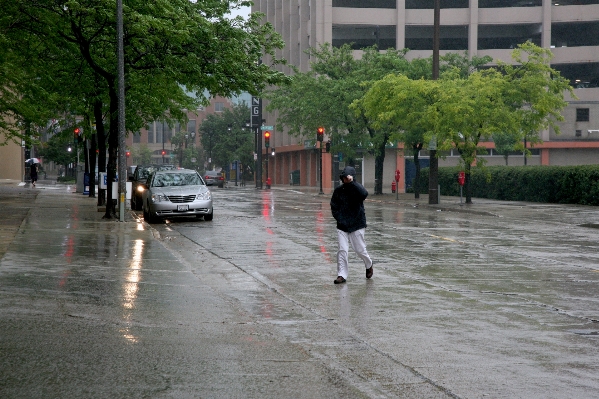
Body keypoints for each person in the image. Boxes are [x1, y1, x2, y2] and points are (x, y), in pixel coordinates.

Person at [330, 166, 373, 284]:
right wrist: (339, 218)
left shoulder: (357, 189)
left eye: (347, 177)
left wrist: (352, 183)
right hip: (342, 226)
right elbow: (334, 206)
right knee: (342, 250)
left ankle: (369, 264)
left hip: (357, 224)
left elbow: (364, 194)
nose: (345, 179)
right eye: (344, 178)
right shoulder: (338, 191)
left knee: (359, 250)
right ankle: (341, 275)